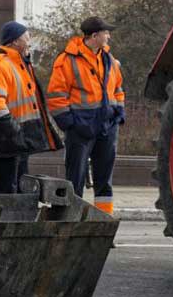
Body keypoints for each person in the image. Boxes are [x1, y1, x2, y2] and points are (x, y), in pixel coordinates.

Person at [47, 17, 125, 215]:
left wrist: (118, 114)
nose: (109, 36)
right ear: (94, 36)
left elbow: (117, 89)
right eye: (106, 32)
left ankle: (103, 225)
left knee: (104, 183)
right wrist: (70, 125)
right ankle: (73, 225)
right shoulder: (66, 60)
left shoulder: (109, 59)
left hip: (107, 127)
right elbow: (56, 97)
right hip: (80, 129)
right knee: (75, 180)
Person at [0, 20, 61, 193]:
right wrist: (14, 130)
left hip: (16, 138)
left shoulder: (20, 65)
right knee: (5, 191)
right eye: (27, 36)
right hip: (5, 139)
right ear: (15, 41)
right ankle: (4, 219)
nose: (30, 40)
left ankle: (17, 219)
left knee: (19, 188)